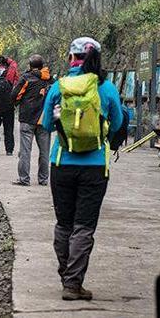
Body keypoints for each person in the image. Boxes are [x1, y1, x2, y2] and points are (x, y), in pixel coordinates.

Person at [41, 37, 123, 301]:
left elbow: (45, 125)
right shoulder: (107, 87)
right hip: (96, 166)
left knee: (64, 223)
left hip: (61, 163)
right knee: (84, 226)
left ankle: (66, 274)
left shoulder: (58, 87)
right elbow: (119, 122)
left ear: (70, 59)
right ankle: (73, 283)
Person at [11, 54, 52, 186]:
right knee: (45, 151)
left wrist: (17, 103)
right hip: (44, 119)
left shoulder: (26, 78)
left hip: (27, 118)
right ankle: (43, 179)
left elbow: (14, 95)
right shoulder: (50, 79)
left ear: (30, 65)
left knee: (25, 151)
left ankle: (24, 179)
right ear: (42, 65)